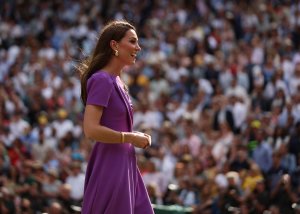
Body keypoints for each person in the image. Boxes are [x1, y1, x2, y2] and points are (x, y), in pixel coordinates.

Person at [78, 20, 153, 213]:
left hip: (125, 162)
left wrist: (132, 136)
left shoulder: (117, 81)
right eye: (133, 41)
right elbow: (91, 129)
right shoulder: (102, 79)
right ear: (114, 45)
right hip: (110, 165)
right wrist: (130, 137)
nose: (138, 47)